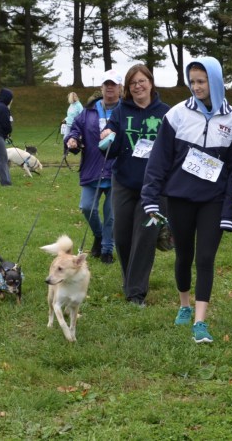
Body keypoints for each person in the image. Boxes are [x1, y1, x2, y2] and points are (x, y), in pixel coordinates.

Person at [140, 57, 232, 343]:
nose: (196, 87)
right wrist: (150, 197)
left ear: (216, 81)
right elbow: (158, 160)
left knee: (206, 258)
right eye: (193, 82)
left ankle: (200, 321)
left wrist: (229, 209)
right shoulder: (176, 115)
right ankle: (184, 304)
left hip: (212, 200)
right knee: (184, 254)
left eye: (201, 81)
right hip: (180, 199)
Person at [97, 66, 170, 303]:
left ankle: (136, 292)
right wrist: (108, 136)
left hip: (156, 187)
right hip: (124, 182)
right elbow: (114, 149)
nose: (138, 86)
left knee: (145, 236)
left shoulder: (167, 113)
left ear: (151, 82)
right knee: (123, 235)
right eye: (132, 83)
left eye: (142, 81)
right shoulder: (120, 111)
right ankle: (130, 280)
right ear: (127, 88)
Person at [65, 70, 121, 266]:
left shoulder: (126, 111)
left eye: (113, 84)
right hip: (92, 168)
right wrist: (72, 140)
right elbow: (75, 130)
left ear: (120, 87)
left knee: (111, 214)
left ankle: (107, 249)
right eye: (106, 84)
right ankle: (98, 236)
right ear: (101, 87)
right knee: (87, 207)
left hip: (117, 171)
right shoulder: (88, 112)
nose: (110, 87)